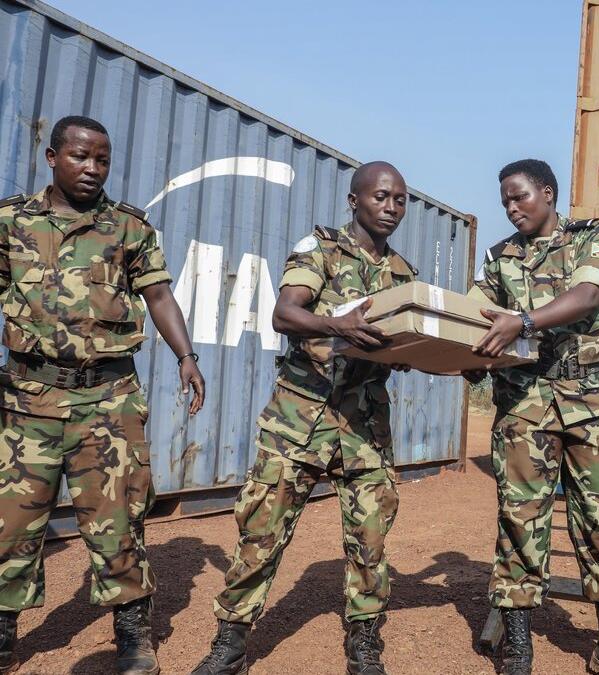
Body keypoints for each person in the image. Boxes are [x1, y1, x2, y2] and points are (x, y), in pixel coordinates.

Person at [0, 115, 206, 675]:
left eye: (103, 160)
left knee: (119, 521)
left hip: (108, 402)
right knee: (11, 525)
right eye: (80, 157)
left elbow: (159, 295)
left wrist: (186, 357)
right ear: (52, 157)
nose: (92, 169)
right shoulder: (10, 221)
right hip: (26, 400)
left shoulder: (128, 228)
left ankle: (133, 639)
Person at [191, 162, 415, 675]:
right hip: (299, 418)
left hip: (364, 426)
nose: (391, 207)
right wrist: (333, 325)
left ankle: (364, 642)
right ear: (353, 200)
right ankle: (230, 644)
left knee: (371, 539)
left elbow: (403, 341)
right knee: (262, 532)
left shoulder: (404, 275)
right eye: (381, 196)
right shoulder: (322, 251)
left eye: (400, 199)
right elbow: (285, 313)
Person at [467, 159, 599, 675]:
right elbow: (472, 315)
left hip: (593, 406)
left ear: (547, 194)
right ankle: (517, 646)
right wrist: (459, 352)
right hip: (524, 408)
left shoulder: (589, 238)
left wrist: (523, 321)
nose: (511, 208)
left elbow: (589, 294)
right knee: (520, 519)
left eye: (520, 197)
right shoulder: (498, 258)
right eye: (505, 200)